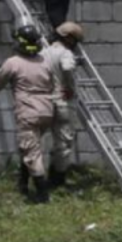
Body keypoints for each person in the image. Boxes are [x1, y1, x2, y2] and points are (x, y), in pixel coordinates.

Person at [0, 25, 57, 204]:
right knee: (29, 147)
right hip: (47, 111)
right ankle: (23, 184)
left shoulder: (13, 62)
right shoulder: (45, 62)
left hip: (28, 112)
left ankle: (42, 195)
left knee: (31, 152)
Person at [41, 21, 85, 188]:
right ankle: (57, 181)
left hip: (44, 102)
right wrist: (70, 87)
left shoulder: (43, 52)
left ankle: (36, 179)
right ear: (70, 39)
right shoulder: (65, 53)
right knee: (63, 143)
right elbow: (67, 69)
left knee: (37, 141)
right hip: (61, 103)